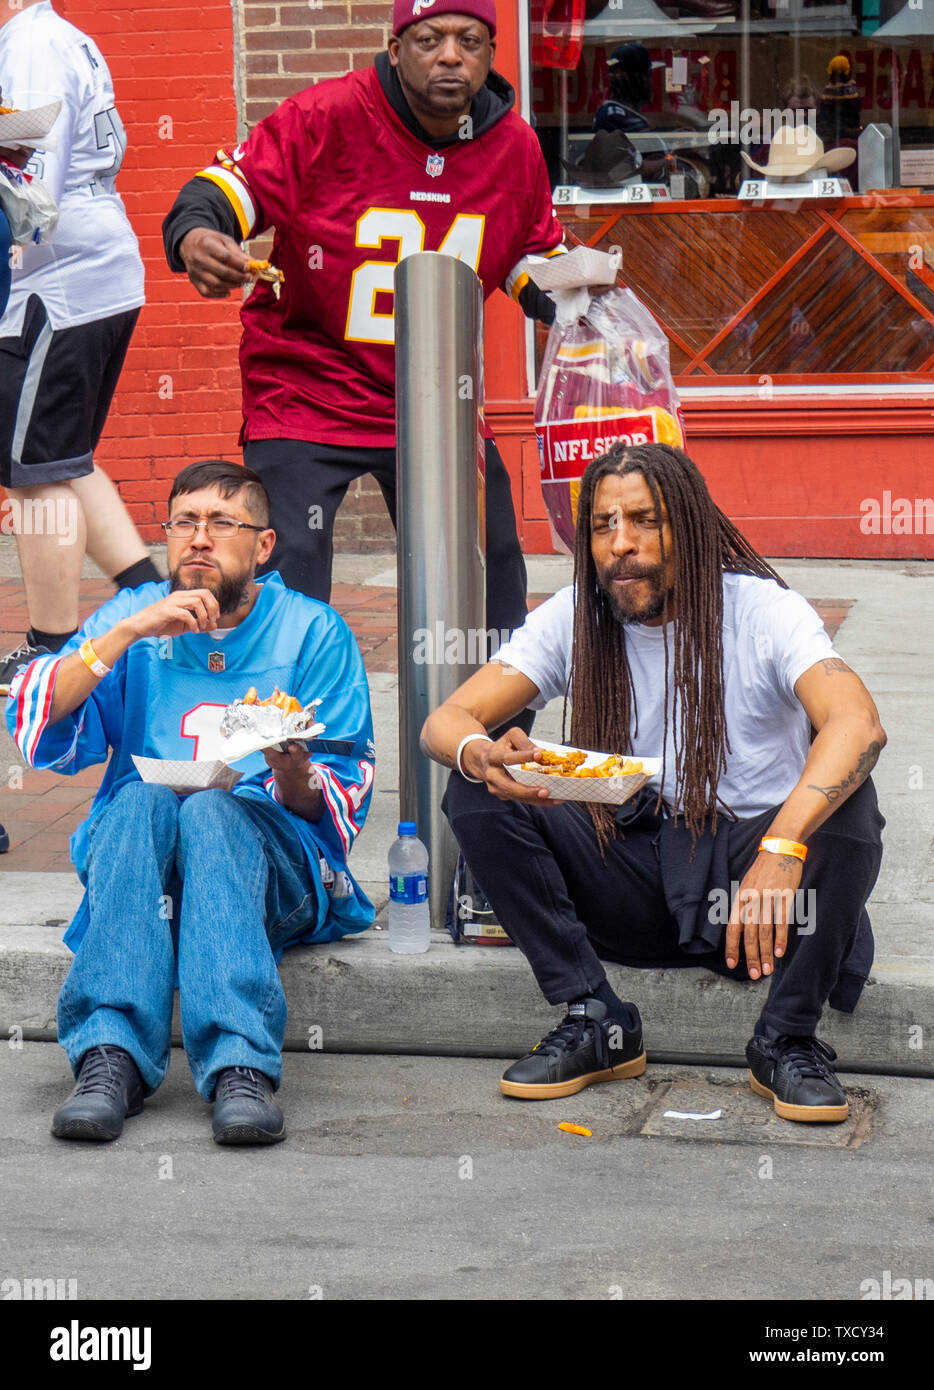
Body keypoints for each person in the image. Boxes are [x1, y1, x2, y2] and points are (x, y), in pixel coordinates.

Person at [421, 443, 886, 1123]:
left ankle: (786, 1038)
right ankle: (594, 1015)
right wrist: (478, 753)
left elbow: (859, 725)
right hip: (633, 865)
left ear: (690, 527)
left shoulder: (761, 610)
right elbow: (446, 719)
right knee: (475, 786)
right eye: (603, 526)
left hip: (755, 895)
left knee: (852, 800)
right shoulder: (577, 613)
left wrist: (781, 851)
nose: (621, 544)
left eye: (644, 520)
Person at [162, 0, 565, 642]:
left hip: (438, 397)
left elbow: (531, 255)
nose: (451, 55)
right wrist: (196, 235)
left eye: (471, 39)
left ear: (491, 51)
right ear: (396, 45)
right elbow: (223, 191)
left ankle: (487, 734)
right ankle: (281, 728)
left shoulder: (513, 145)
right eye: (430, 38)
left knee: (490, 575)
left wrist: (584, 296)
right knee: (283, 570)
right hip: (308, 385)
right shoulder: (327, 115)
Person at [5, 460, 375, 1146]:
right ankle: (108, 1057)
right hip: (142, 859)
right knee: (142, 803)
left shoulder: (312, 631)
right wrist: (125, 634)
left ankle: (240, 1064)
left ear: (262, 546)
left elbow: (335, 798)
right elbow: (37, 721)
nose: (198, 539)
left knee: (212, 811)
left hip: (267, 867)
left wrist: (290, 767)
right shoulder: (135, 616)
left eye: (221, 523)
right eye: (184, 522)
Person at [0, 0, 160, 692]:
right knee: (63, 459)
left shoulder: (30, 41)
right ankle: (152, 601)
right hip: (90, 276)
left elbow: (27, 179)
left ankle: (49, 649)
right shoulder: (55, 34)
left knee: (34, 471)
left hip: (58, 284)